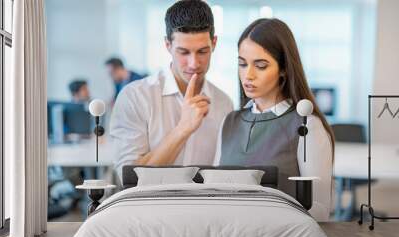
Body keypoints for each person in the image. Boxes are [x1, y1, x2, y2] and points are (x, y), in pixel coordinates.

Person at [214, 18, 334, 221]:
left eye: (260, 65)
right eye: (242, 64)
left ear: (284, 69)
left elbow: (320, 209)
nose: (248, 75)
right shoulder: (229, 123)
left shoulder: (306, 126)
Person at [110, 0, 233, 181]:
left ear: (214, 43)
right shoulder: (135, 97)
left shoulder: (224, 103)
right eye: (183, 52)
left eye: (202, 52)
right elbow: (129, 180)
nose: (194, 64)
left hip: (206, 206)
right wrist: (182, 129)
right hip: (150, 207)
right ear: (168, 45)